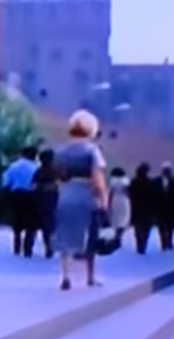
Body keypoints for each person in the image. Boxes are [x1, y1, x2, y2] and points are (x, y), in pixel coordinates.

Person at [52, 110, 108, 291]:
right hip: (86, 194)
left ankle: (66, 276)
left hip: (66, 194)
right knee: (90, 235)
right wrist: (104, 201)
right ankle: (90, 277)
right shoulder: (92, 151)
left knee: (65, 235)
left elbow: (57, 176)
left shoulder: (60, 151)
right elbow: (98, 179)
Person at [2, 147, 40, 257]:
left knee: (16, 219)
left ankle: (17, 245)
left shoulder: (13, 166)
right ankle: (28, 248)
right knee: (31, 222)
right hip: (32, 195)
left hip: (16, 194)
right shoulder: (36, 167)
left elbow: (6, 182)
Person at [28, 149, 59, 258]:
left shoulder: (38, 172)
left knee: (33, 226)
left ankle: (28, 248)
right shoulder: (55, 172)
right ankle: (49, 248)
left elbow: (32, 186)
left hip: (37, 201)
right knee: (48, 227)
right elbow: (59, 186)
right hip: (51, 202)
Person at [128, 162, 160, 254]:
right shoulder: (150, 182)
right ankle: (143, 245)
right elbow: (154, 197)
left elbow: (130, 195)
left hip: (136, 208)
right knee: (146, 229)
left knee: (138, 228)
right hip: (148, 210)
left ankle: (139, 245)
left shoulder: (134, 182)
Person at [155, 162, 174, 250]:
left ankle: (169, 242)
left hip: (172, 208)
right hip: (160, 208)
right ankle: (164, 242)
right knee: (161, 226)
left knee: (170, 226)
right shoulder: (156, 181)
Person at [107, 167, 131, 242]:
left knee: (116, 217)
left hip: (115, 200)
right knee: (124, 218)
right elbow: (128, 192)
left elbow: (110, 193)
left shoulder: (112, 181)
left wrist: (108, 203)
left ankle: (116, 234)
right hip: (124, 200)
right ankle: (120, 234)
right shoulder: (126, 181)